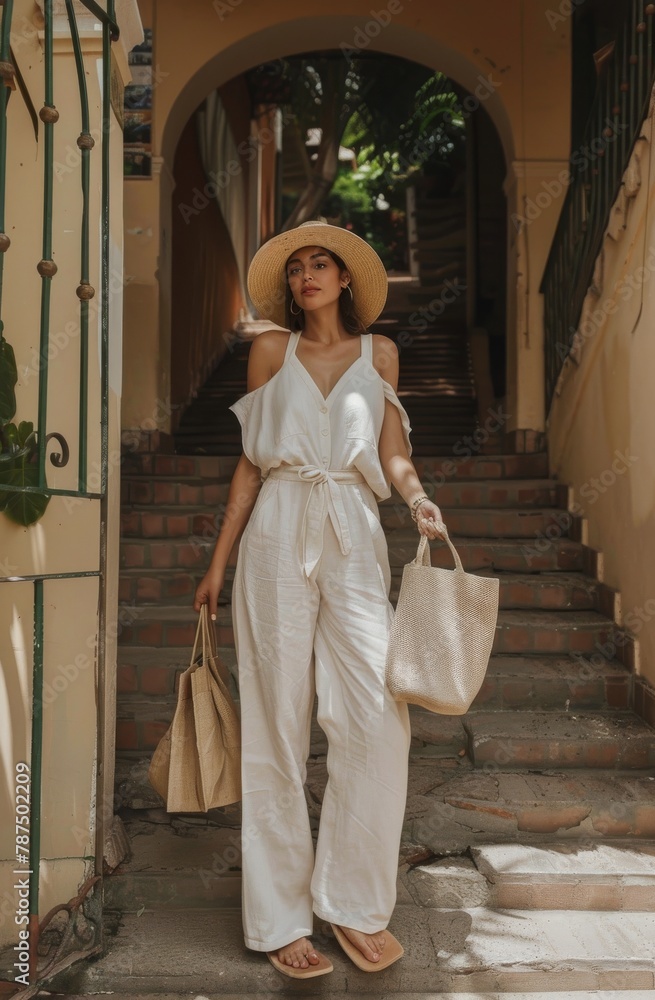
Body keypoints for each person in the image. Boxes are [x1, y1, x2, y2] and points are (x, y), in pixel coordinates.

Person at [193, 220, 446, 979]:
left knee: (376, 713)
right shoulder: (269, 351)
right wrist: (218, 562)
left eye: (320, 265)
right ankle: (280, 920)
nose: (306, 276)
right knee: (276, 720)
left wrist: (418, 499)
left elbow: (395, 452)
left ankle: (350, 904)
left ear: (344, 282)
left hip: (354, 533)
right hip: (275, 527)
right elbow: (248, 466)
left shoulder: (381, 354)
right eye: (296, 267)